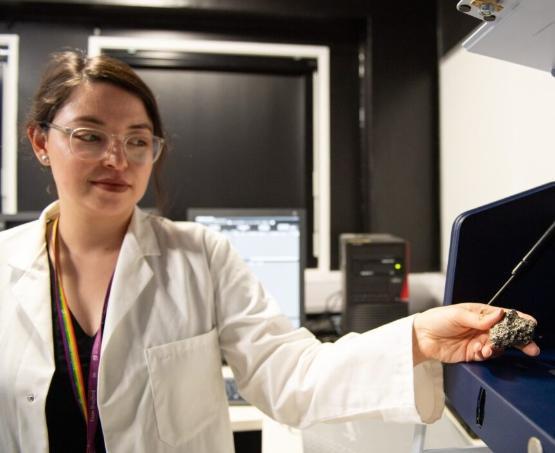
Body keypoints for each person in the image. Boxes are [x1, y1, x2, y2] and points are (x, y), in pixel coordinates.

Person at [0, 50, 540, 453]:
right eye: (90, 135)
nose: (118, 158)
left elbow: (288, 374)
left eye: (137, 140)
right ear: (41, 141)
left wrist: (418, 335)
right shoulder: (5, 266)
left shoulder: (201, 256)